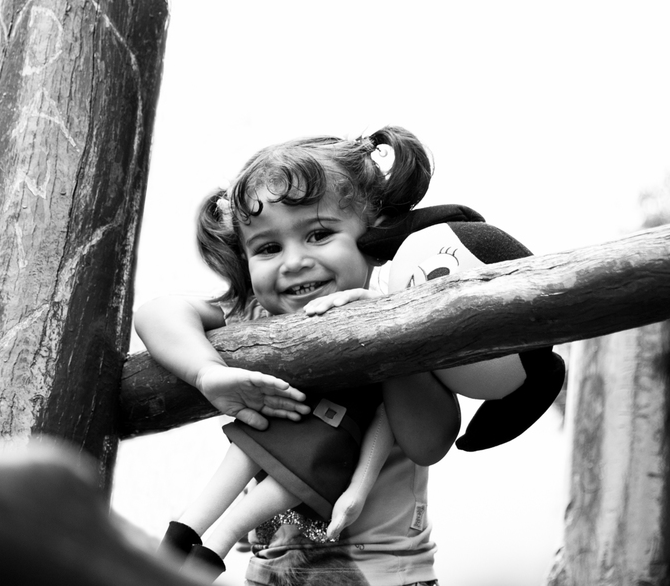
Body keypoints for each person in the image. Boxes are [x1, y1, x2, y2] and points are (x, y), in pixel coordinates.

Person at [134, 126, 457, 586]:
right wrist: (207, 373)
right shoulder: (251, 318)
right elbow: (156, 314)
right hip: (270, 573)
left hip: (385, 573)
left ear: (376, 238)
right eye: (268, 247)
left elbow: (429, 442)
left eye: (319, 234)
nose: (292, 261)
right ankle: (186, 537)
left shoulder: (400, 310)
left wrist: (388, 336)